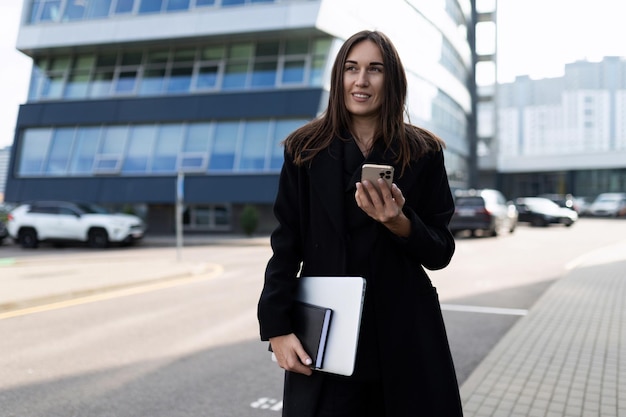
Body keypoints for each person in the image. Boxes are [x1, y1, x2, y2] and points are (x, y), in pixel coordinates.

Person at [257, 30, 463, 417]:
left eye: (375, 69)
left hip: (405, 331)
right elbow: (285, 246)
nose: (361, 80)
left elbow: (440, 252)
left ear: (392, 80)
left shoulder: (424, 152)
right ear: (339, 77)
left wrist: (400, 222)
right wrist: (277, 328)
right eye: (351, 68)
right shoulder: (303, 150)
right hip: (327, 329)